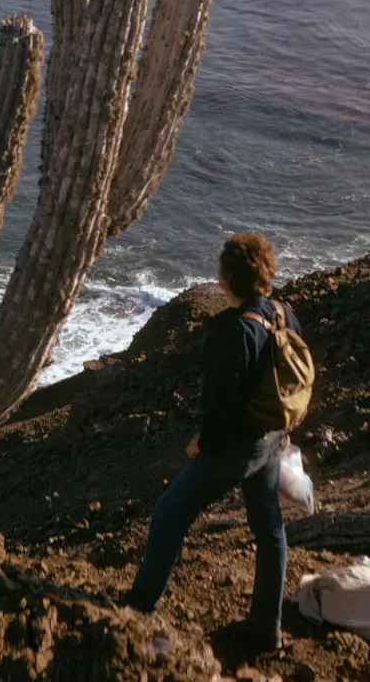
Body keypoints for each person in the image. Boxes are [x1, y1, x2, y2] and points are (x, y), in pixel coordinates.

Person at [120, 232, 301, 653]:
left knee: (170, 513)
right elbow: (286, 379)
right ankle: (266, 626)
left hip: (240, 448)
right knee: (268, 526)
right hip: (273, 439)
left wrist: (202, 444)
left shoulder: (236, 332)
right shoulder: (283, 312)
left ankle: (138, 607)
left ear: (226, 278)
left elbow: (222, 408)